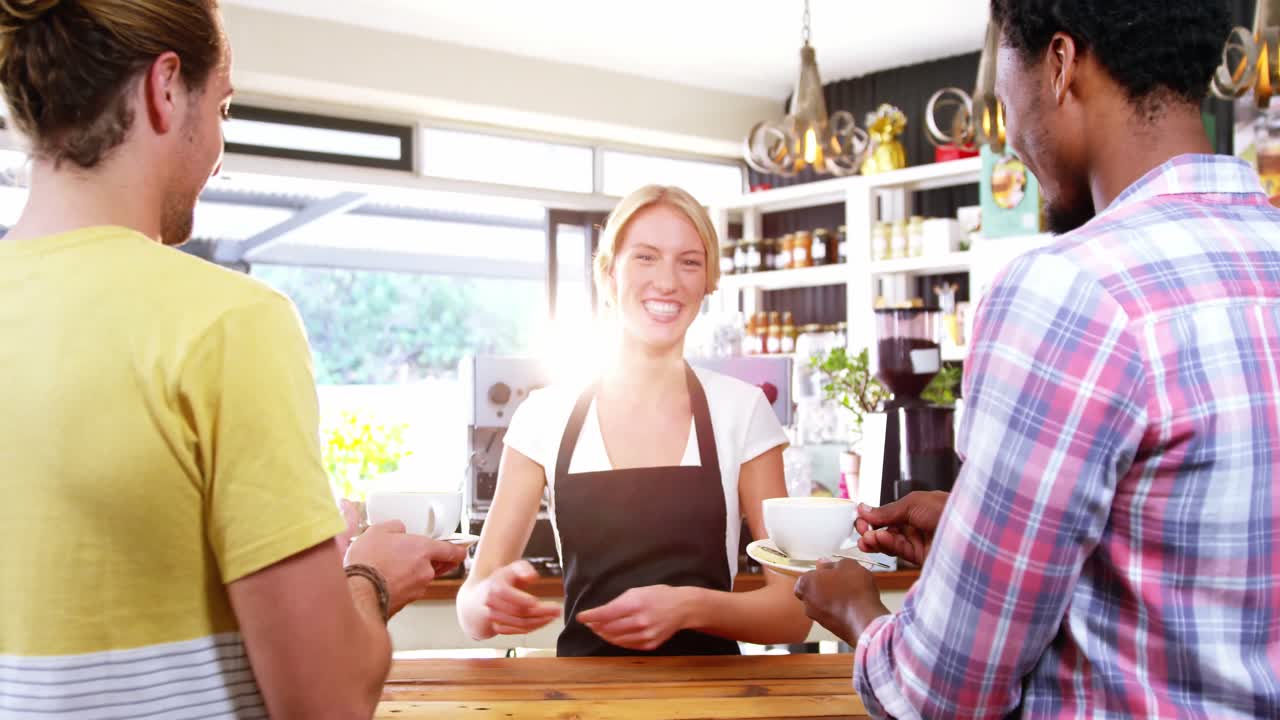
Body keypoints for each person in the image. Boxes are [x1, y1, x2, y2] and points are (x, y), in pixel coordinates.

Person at [796, 0, 1280, 717]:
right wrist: (981, 535)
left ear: (1058, 65)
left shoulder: (1069, 289)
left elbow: (943, 692)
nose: (1010, 138)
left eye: (1003, 94)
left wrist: (861, 616)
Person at [0, 2, 465, 718]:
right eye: (222, 109)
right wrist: (369, 577)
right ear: (164, 88)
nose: (218, 149)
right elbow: (326, 703)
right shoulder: (229, 323)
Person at [457, 185, 812, 656]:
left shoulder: (742, 411)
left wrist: (689, 607)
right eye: (645, 257)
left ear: (708, 282)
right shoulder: (544, 416)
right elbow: (472, 612)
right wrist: (487, 602)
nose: (668, 282)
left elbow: (792, 614)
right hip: (583, 707)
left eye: (689, 261)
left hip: (714, 705)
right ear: (607, 276)